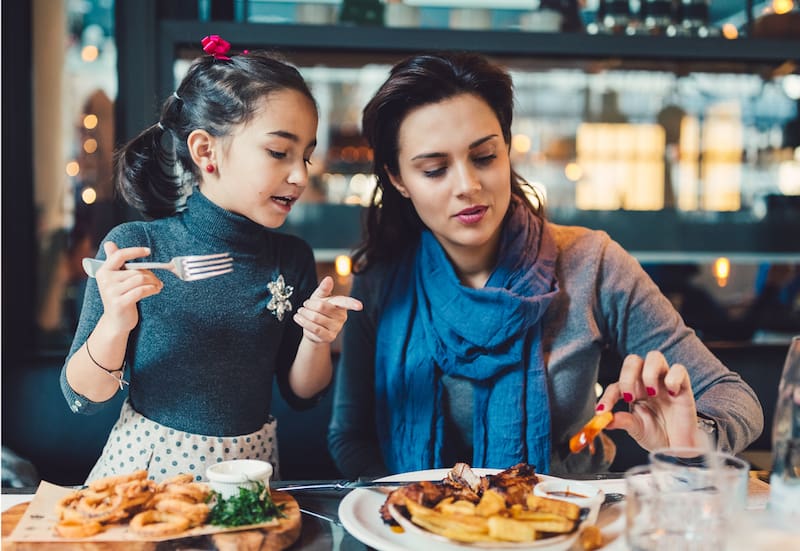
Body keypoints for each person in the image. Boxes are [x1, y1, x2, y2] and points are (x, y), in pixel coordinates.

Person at [327, 52, 763, 478]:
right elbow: (349, 437)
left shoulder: (591, 262)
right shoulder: (381, 282)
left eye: (484, 157)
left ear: (507, 150)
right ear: (399, 178)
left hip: (565, 524)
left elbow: (734, 397)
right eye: (435, 169)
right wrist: (414, 511)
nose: (469, 185)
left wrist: (691, 439)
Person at [61, 35, 362, 483]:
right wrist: (115, 324)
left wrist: (317, 338)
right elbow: (82, 396)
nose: (300, 175)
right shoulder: (138, 246)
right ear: (206, 151)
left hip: (249, 471)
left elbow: (301, 394)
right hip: (145, 478)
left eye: (305, 155)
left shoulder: (290, 257)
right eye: (279, 152)